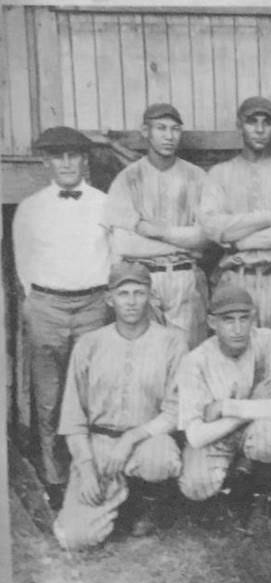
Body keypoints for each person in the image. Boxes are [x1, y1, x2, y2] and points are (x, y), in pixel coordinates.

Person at [53, 262, 186, 549]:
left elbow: (176, 411)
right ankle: (113, 504)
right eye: (123, 293)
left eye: (139, 293)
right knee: (76, 538)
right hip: (99, 445)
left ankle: (143, 501)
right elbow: (73, 418)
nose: (132, 301)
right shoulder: (89, 343)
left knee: (160, 458)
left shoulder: (172, 341)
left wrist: (131, 438)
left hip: (146, 440)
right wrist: (86, 468)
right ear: (109, 299)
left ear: (150, 296)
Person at [12, 126, 112, 506]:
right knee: (49, 397)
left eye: (74, 156)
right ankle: (54, 479)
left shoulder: (104, 204)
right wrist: (41, 302)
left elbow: (116, 255)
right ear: (45, 162)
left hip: (93, 306)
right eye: (58, 156)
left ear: (84, 160)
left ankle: (93, 475)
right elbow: (24, 264)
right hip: (47, 307)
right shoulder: (30, 208)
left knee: (90, 394)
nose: (67, 163)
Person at [199, 96, 271, 363]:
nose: (260, 129)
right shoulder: (220, 174)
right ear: (239, 125)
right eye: (252, 122)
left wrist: (239, 241)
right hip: (238, 278)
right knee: (235, 361)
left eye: (267, 122)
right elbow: (213, 227)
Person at [176, 286, 271, 517]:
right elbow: (195, 435)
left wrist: (226, 407)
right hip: (218, 436)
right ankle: (232, 487)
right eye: (228, 320)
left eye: (244, 318)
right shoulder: (195, 360)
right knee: (195, 486)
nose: (238, 329)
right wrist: (250, 405)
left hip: (257, 428)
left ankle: (263, 493)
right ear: (212, 323)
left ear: (253, 318)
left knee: (267, 440)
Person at [103, 102, 211, 348]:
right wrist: (184, 243)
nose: (169, 136)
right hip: (142, 279)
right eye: (161, 128)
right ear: (146, 131)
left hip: (185, 278)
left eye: (175, 129)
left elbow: (205, 236)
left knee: (187, 355)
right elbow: (124, 243)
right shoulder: (127, 178)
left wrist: (154, 231)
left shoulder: (197, 177)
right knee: (145, 355)